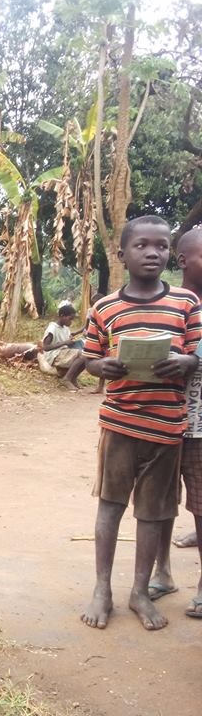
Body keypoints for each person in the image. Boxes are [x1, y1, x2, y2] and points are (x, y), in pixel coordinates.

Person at [80, 215, 202, 631]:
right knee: (110, 507)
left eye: (162, 246)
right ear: (122, 255)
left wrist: (186, 361)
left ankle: (139, 591)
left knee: (153, 514)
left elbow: (196, 353)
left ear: (171, 253)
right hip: (119, 426)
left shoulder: (186, 304)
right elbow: (90, 357)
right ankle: (102, 589)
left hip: (166, 428)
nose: (153, 253)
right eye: (142, 245)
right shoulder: (105, 308)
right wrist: (102, 366)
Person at [149, 227, 202, 616]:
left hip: (200, 427)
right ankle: (163, 573)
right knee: (159, 501)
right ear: (183, 260)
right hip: (160, 420)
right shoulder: (164, 304)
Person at [38, 301, 87, 389]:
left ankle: (73, 378)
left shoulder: (65, 328)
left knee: (87, 355)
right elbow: (45, 347)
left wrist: (71, 341)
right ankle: (66, 379)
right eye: (70, 319)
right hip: (54, 354)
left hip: (63, 352)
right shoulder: (52, 329)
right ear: (62, 316)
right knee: (83, 355)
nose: (71, 322)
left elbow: (66, 340)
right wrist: (64, 342)